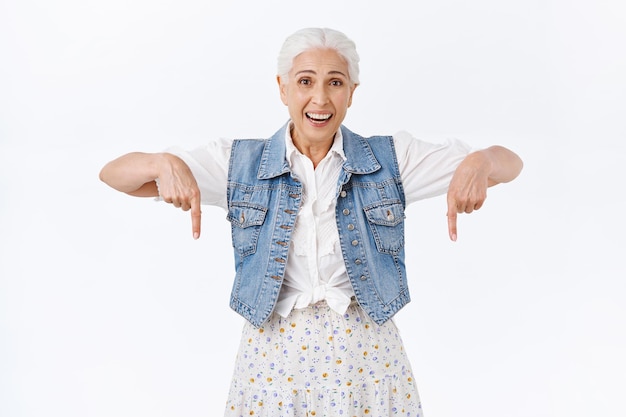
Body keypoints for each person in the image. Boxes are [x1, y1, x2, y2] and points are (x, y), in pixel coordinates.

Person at [100, 27, 522, 417]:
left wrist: (481, 161)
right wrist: (163, 162)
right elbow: (115, 175)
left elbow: (510, 164)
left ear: (352, 93)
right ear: (282, 89)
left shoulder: (392, 159)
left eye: (334, 82)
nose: (320, 98)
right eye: (305, 81)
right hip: (271, 363)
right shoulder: (236, 164)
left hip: (368, 361)